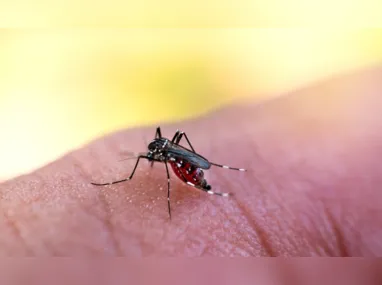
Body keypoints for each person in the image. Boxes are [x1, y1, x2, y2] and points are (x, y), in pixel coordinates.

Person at [0, 66, 382, 258]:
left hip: (190, 165)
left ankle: (208, 178)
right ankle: (212, 179)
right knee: (172, 158)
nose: (152, 154)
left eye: (155, 151)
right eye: (156, 150)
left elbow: (167, 161)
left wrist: (181, 174)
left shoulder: (167, 154)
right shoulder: (157, 147)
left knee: (176, 168)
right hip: (186, 159)